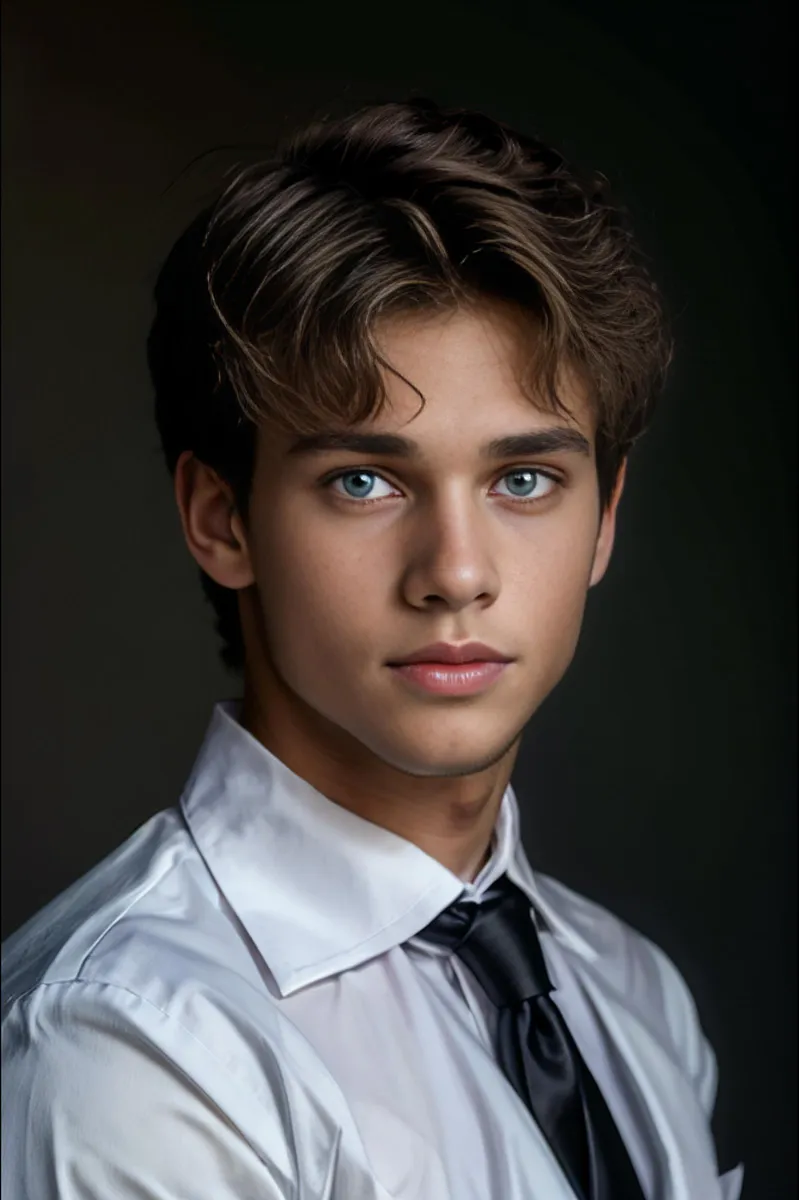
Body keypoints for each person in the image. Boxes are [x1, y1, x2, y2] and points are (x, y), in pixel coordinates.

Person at [1, 98, 743, 1199]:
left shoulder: (635, 997)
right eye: (365, 481)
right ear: (223, 519)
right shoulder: (127, 1051)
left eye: (523, 480)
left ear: (605, 519)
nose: (454, 569)